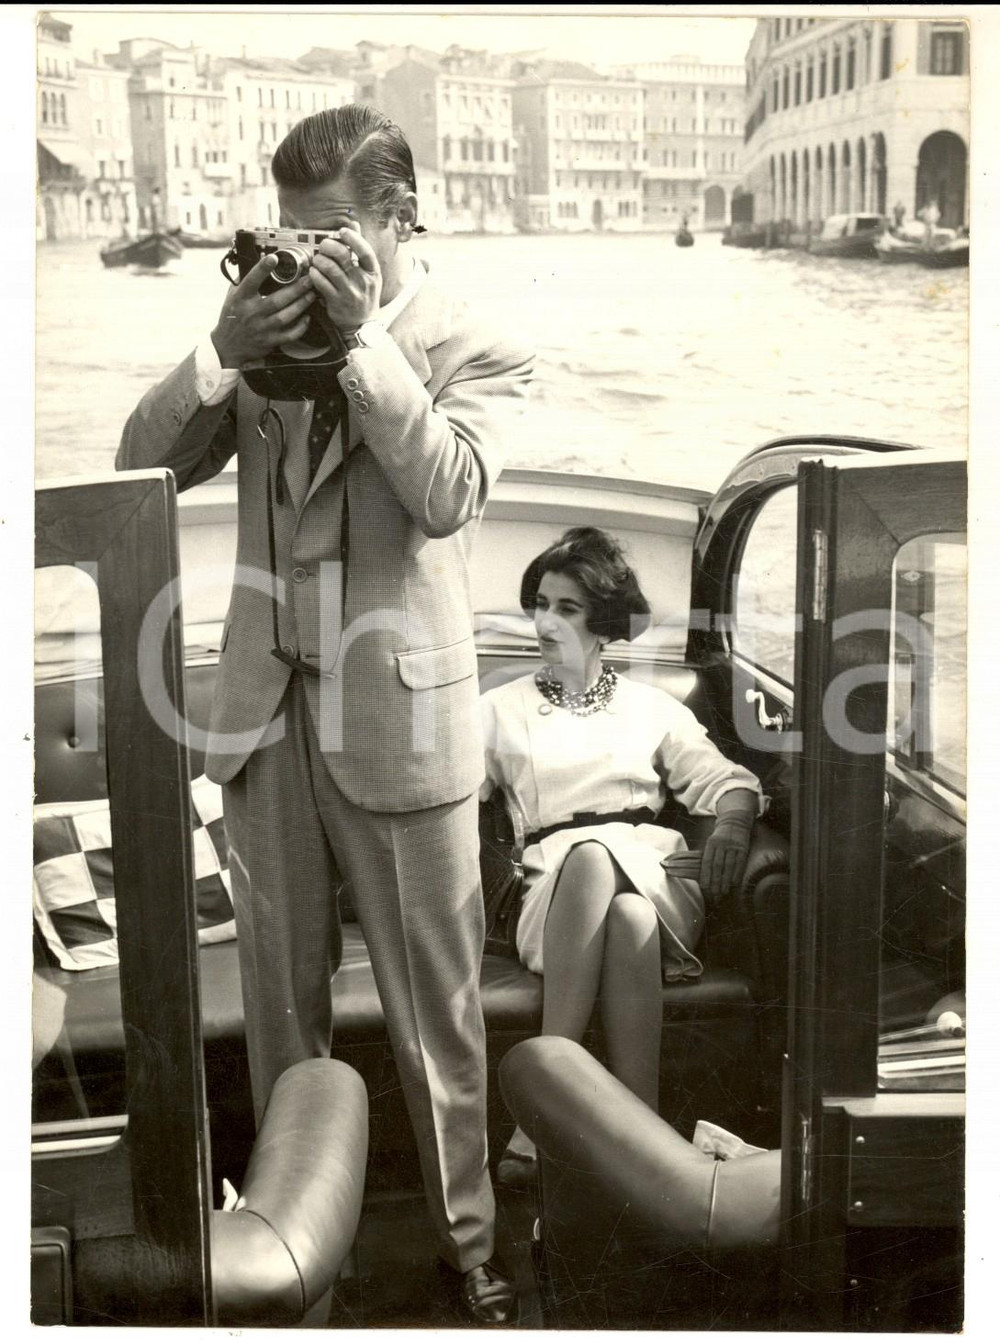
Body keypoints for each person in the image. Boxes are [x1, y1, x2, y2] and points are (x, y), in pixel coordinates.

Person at [117, 104, 533, 1326]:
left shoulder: (474, 340)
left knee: (434, 1021)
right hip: (263, 715)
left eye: (334, 235)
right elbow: (139, 461)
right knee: (280, 1014)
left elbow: (450, 491)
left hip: (400, 722)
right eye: (288, 236)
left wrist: (364, 347)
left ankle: (475, 1260)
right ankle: (303, 1264)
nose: (304, 261)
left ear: (402, 220)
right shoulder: (264, 321)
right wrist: (217, 351)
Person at [479, 528, 763, 1186]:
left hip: (655, 878)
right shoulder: (497, 709)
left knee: (632, 909)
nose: (546, 621)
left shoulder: (651, 707)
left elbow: (729, 781)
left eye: (568, 609)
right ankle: (618, 1125)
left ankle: (595, 1127)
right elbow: (447, 799)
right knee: (591, 860)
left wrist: (730, 828)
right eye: (541, 603)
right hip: (553, 891)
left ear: (604, 622)